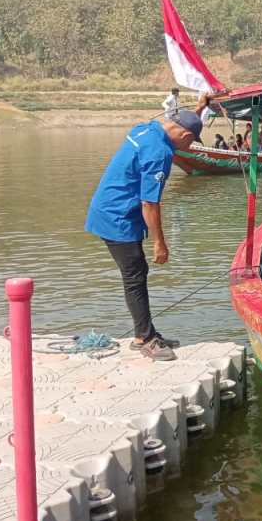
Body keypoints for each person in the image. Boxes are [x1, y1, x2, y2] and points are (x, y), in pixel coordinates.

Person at [84, 109, 203, 362]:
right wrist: (160, 243)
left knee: (137, 272)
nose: (188, 146)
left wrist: (199, 107)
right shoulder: (160, 153)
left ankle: (145, 333)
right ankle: (145, 339)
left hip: (110, 207)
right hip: (118, 216)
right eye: (191, 141)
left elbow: (180, 120)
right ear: (185, 134)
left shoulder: (145, 128)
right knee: (134, 275)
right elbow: (150, 202)